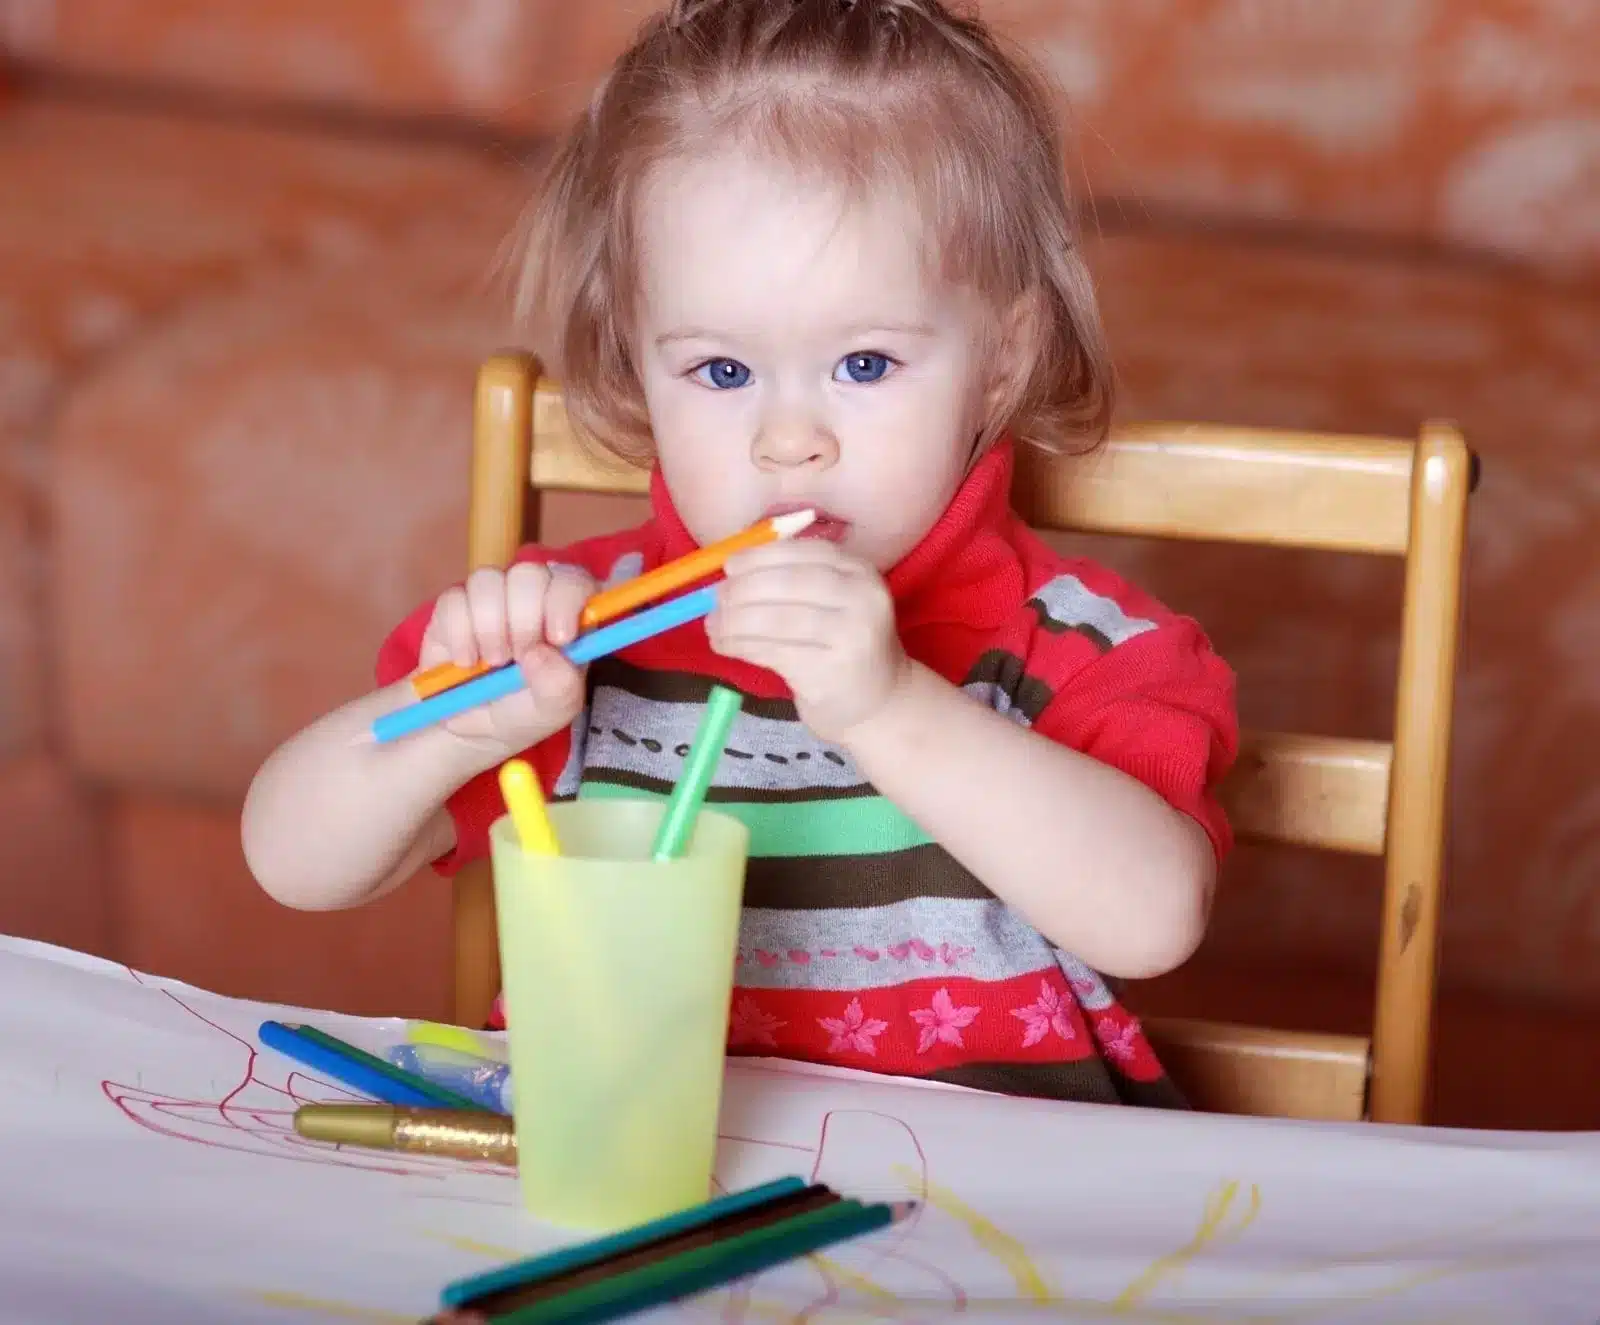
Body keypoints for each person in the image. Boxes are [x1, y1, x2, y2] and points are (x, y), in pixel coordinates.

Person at [242, 0, 1237, 1107]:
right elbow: (293, 862)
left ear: (1000, 365)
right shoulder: (585, 640)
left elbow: (1152, 921)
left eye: (863, 364)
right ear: (632, 367)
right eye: (721, 373)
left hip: (980, 1233)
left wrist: (888, 706)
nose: (786, 439)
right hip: (636, 1191)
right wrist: (460, 723)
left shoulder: (1082, 647)